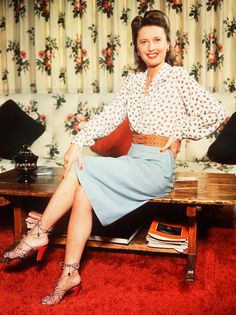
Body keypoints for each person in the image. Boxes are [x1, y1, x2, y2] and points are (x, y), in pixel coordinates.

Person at [1, 10, 227, 305]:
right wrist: (77, 141)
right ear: (137, 46)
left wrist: (182, 132)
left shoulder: (178, 78)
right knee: (82, 191)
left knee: (83, 167)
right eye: (144, 41)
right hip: (133, 160)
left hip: (157, 166)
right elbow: (108, 118)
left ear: (168, 43)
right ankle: (69, 274)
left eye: (157, 39)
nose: (151, 47)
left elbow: (216, 113)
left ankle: (40, 232)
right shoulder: (133, 83)